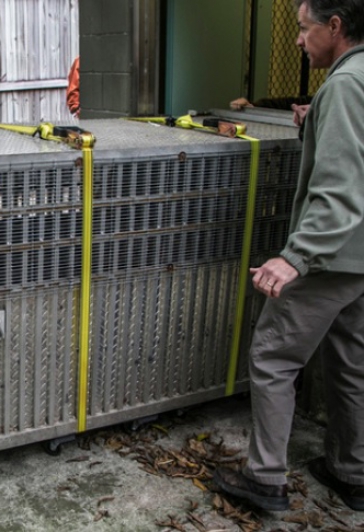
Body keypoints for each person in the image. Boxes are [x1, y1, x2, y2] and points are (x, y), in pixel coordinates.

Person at [214, 0, 364, 513]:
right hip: (360, 260)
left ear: (336, 26)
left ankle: (264, 478)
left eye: (304, 28)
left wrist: (296, 255)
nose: (299, 40)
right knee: (351, 363)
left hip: (332, 256)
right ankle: (353, 471)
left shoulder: (345, 85)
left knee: (274, 357)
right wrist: (314, 121)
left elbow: (341, 188)